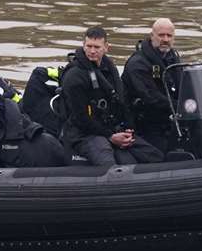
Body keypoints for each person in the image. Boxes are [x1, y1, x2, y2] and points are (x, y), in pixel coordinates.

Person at [58, 27, 164, 166]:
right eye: (88, 46)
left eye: (97, 47)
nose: (92, 51)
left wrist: (128, 128)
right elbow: (81, 118)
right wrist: (110, 136)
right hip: (84, 134)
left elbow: (122, 100)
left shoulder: (108, 68)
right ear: (83, 46)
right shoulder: (74, 76)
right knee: (108, 163)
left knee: (154, 155)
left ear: (106, 47)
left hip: (110, 128)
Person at [123, 16, 187, 155]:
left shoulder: (172, 58)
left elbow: (183, 84)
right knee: (162, 155)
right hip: (144, 124)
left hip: (168, 119)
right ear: (152, 36)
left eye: (169, 35)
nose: (165, 39)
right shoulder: (138, 64)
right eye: (161, 35)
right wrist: (182, 106)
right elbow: (150, 97)